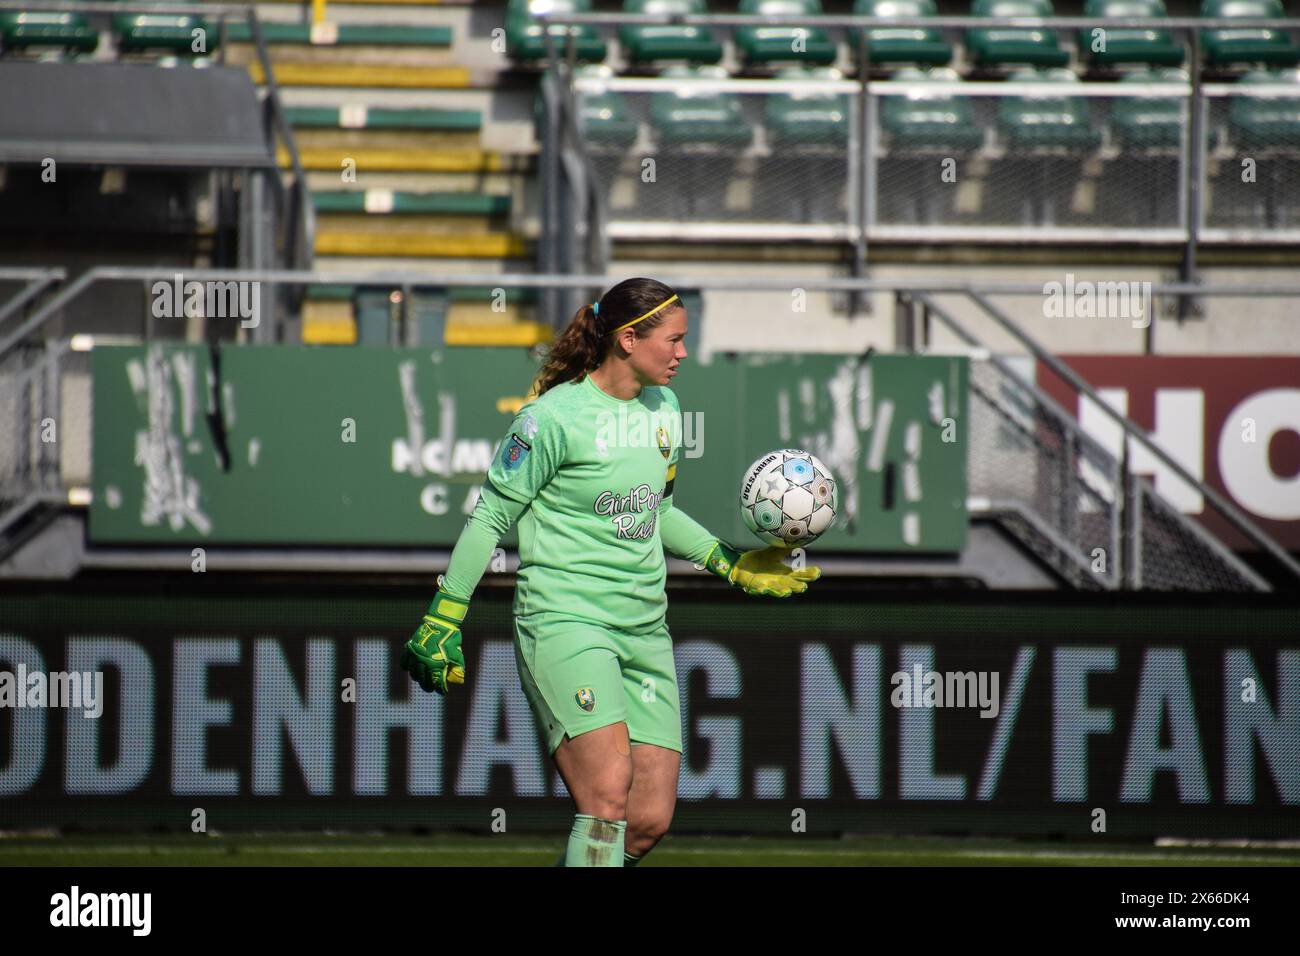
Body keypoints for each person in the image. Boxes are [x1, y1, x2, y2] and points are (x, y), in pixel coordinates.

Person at [400, 276, 821, 867]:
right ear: (627, 339)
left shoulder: (666, 409)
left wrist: (728, 561)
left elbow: (660, 510)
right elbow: (490, 517)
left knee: (647, 822)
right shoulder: (550, 419)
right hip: (566, 620)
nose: (681, 353)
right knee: (605, 799)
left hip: (644, 629)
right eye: (672, 340)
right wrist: (445, 613)